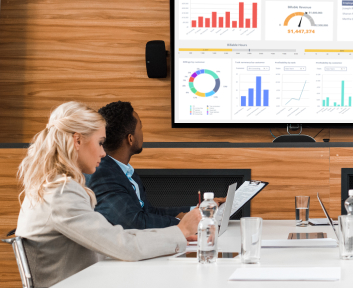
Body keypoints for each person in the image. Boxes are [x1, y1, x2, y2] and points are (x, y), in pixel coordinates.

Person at [15, 102, 201, 288]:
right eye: (100, 143)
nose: (104, 153)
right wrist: (180, 232)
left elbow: (113, 236)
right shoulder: (61, 193)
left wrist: (174, 235)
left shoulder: (53, 186)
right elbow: (121, 244)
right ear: (77, 141)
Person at [88, 101, 222, 229]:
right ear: (130, 139)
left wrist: (199, 210)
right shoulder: (102, 173)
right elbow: (135, 223)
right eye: (140, 127)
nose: (142, 132)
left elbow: (149, 212)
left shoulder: (125, 171)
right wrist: (181, 222)